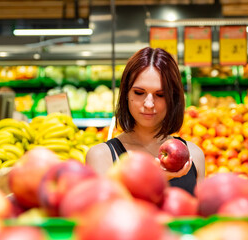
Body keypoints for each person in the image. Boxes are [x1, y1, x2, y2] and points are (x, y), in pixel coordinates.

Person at [86, 47, 205, 194]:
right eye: (139, 92)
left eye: (160, 94)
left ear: (173, 99)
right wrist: (155, 180)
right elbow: (102, 213)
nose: (149, 104)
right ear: (125, 94)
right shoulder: (101, 156)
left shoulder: (194, 156)